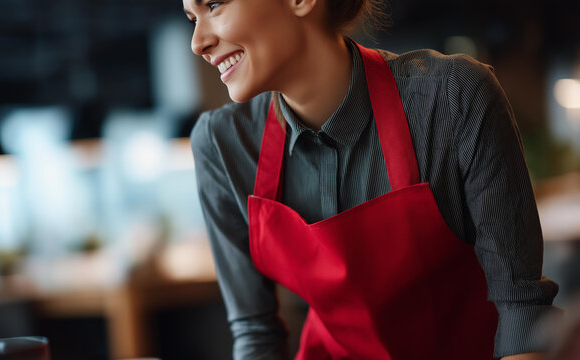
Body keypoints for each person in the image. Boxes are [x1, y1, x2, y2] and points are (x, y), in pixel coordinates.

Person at [183, 0, 562, 359]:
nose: (198, 42)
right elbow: (255, 332)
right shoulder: (221, 145)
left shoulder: (453, 97)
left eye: (214, 4)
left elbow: (522, 308)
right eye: (192, 17)